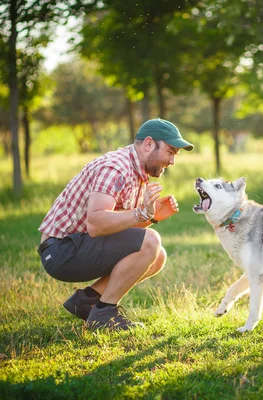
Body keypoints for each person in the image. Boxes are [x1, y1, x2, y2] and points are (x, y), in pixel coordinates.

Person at [37, 118, 193, 331]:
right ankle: (104, 313)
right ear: (149, 144)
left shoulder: (137, 172)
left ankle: (87, 301)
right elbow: (96, 224)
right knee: (151, 241)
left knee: (157, 256)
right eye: (171, 152)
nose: (172, 161)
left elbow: (117, 227)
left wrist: (153, 216)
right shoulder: (116, 168)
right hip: (61, 250)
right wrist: (140, 213)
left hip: (79, 244)